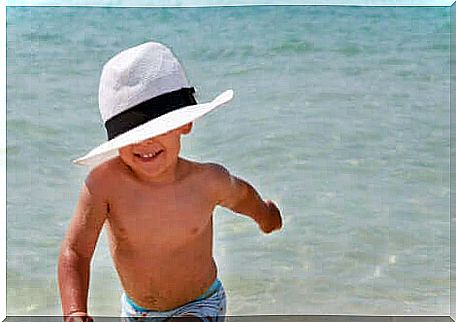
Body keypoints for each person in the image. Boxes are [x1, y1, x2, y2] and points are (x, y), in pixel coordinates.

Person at [58, 41, 283, 322]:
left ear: (184, 124)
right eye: (132, 136)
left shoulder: (207, 180)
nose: (145, 142)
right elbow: (76, 251)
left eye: (157, 129)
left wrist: (265, 215)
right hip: (135, 312)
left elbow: (241, 196)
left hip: (199, 305)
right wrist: (74, 311)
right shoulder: (104, 185)